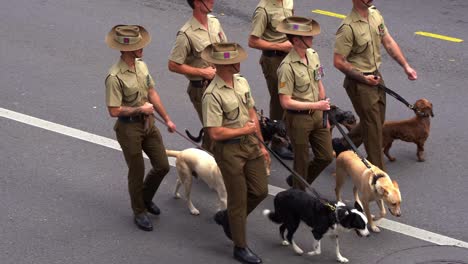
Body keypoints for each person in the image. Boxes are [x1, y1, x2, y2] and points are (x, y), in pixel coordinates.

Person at [201, 42, 270, 264]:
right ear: (224, 65)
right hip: (230, 151)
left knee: (260, 190)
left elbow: (251, 113)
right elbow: (215, 133)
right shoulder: (212, 94)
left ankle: (228, 218)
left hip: (251, 144)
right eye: (234, 61)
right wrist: (245, 130)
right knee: (238, 200)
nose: (238, 63)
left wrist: (261, 144)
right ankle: (240, 247)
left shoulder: (241, 82)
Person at [105, 25, 176, 231]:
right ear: (125, 49)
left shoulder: (141, 66)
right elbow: (114, 110)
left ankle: (145, 197)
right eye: (137, 45)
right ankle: (139, 211)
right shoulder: (114, 77)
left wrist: (167, 118)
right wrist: (139, 108)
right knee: (137, 171)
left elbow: (152, 93)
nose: (142, 47)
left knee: (162, 165)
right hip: (128, 130)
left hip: (149, 123)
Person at [333, 0, 417, 171]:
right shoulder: (348, 28)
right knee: (374, 129)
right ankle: (377, 173)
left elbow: (388, 41)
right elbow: (339, 62)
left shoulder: (375, 14)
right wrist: (364, 78)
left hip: (376, 77)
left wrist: (405, 66)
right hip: (359, 83)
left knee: (376, 121)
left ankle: (343, 145)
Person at [276, 16, 333, 190]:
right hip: (299, 119)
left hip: (318, 113)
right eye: (308, 37)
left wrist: (324, 112)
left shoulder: (313, 55)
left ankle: (296, 182)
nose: (312, 39)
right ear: (296, 40)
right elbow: (285, 102)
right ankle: (298, 196)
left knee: (325, 156)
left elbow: (319, 83)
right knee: (301, 161)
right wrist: (316, 106)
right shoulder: (286, 67)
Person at [168, 0, 227, 152]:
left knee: (220, 125)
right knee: (216, 128)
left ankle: (203, 160)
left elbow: (226, 49)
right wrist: (202, 72)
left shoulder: (214, 22)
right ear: (197, 3)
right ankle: (215, 164)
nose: (212, 1)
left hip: (220, 83)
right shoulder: (186, 34)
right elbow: (173, 65)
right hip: (201, 89)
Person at [248, 0, 294, 160]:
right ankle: (277, 142)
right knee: (279, 101)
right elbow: (253, 41)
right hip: (273, 60)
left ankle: (287, 135)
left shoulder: (288, 1)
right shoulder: (263, 9)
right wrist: (281, 46)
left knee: (293, 98)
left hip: (290, 57)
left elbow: (291, 24)